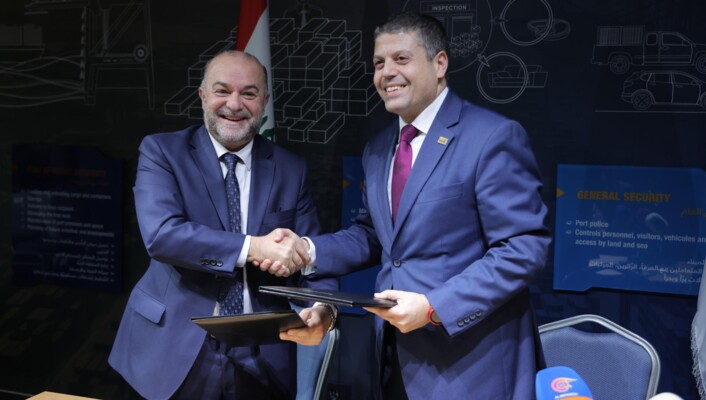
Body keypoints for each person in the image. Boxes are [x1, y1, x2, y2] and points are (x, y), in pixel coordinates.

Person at [269, 12, 552, 399]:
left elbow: (523, 248)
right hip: (393, 362)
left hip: (473, 367)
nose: (387, 72)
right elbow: (376, 235)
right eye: (378, 63)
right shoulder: (377, 150)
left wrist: (435, 306)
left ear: (440, 63)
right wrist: (307, 250)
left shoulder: (492, 137)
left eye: (401, 59)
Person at [108, 50, 336, 400]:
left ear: (265, 101)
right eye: (222, 91)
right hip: (172, 349)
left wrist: (324, 309)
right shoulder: (162, 152)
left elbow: (313, 255)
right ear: (202, 95)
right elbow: (163, 236)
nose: (234, 104)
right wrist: (254, 246)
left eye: (249, 93)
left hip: (263, 354)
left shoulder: (291, 169)